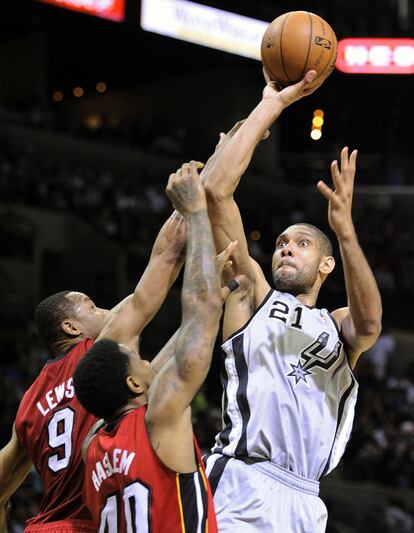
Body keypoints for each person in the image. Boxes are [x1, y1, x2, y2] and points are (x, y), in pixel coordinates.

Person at [201, 71, 382, 531]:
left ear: (326, 265)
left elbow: (370, 325)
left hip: (306, 499)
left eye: (301, 243)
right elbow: (216, 191)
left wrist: (344, 230)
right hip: (243, 477)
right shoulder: (252, 294)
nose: (285, 246)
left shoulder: (336, 325)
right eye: (282, 241)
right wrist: (272, 104)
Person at [0, 206, 188, 532]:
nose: (103, 310)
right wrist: (191, 205)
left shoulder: (27, 405)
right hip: (84, 525)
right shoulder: (98, 352)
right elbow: (163, 263)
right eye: (91, 305)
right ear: (71, 327)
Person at [73, 161, 237, 532]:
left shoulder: (93, 446)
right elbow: (201, 314)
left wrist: (212, 287)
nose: (148, 359)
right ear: (132, 385)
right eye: (137, 358)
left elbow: (171, 358)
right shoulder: (160, 417)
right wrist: (196, 214)